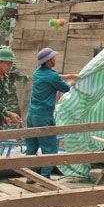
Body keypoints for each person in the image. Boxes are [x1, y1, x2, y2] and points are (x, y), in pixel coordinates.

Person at [25, 47, 80, 179]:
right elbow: (65, 88)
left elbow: (55, 77)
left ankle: (30, 176)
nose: (55, 59)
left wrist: (71, 75)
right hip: (44, 116)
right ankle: (45, 177)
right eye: (54, 58)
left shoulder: (38, 72)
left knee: (32, 148)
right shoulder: (51, 76)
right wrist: (74, 81)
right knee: (49, 148)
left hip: (31, 115)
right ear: (49, 60)